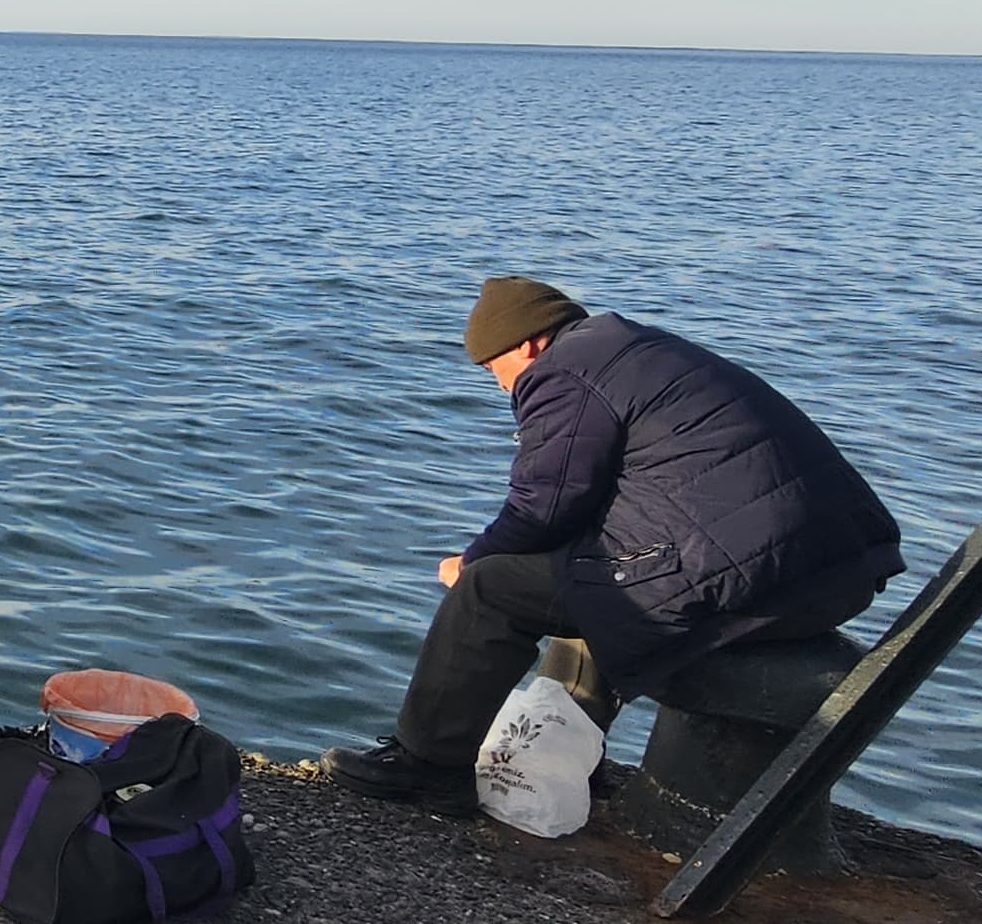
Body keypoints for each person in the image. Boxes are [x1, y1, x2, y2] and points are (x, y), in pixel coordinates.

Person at [329, 276, 906, 813]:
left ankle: (429, 763)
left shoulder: (563, 372)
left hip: (760, 584)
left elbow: (544, 504)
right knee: (584, 571)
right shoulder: (639, 352)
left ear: (527, 345)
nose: (502, 384)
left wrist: (472, 559)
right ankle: (569, 757)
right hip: (832, 571)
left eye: (493, 369)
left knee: (493, 588)